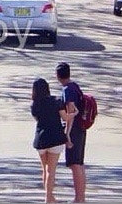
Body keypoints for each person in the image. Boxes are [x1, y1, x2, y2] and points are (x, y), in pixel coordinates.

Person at [30, 78, 68, 204]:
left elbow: (37, 119)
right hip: (56, 138)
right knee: (51, 170)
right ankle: (48, 199)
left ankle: (50, 198)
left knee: (45, 169)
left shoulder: (34, 105)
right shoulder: (56, 101)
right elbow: (64, 117)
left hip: (41, 139)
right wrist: (74, 114)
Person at [54, 62, 86, 203]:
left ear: (58, 76)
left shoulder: (67, 90)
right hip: (81, 128)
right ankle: (81, 197)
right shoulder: (75, 87)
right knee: (79, 163)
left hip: (74, 130)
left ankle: (79, 198)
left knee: (74, 164)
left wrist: (67, 134)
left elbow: (70, 111)